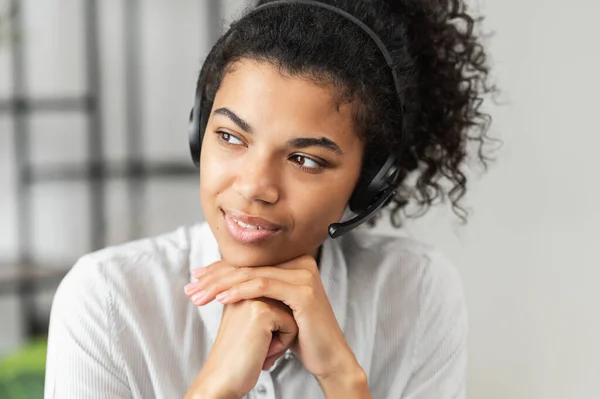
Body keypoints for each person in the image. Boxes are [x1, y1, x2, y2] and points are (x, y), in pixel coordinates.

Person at [44, 0, 496, 398]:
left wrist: (342, 376)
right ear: (198, 134)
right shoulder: (107, 299)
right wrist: (214, 388)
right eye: (230, 136)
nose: (255, 186)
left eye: (305, 159)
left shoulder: (413, 289)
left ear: (369, 183)